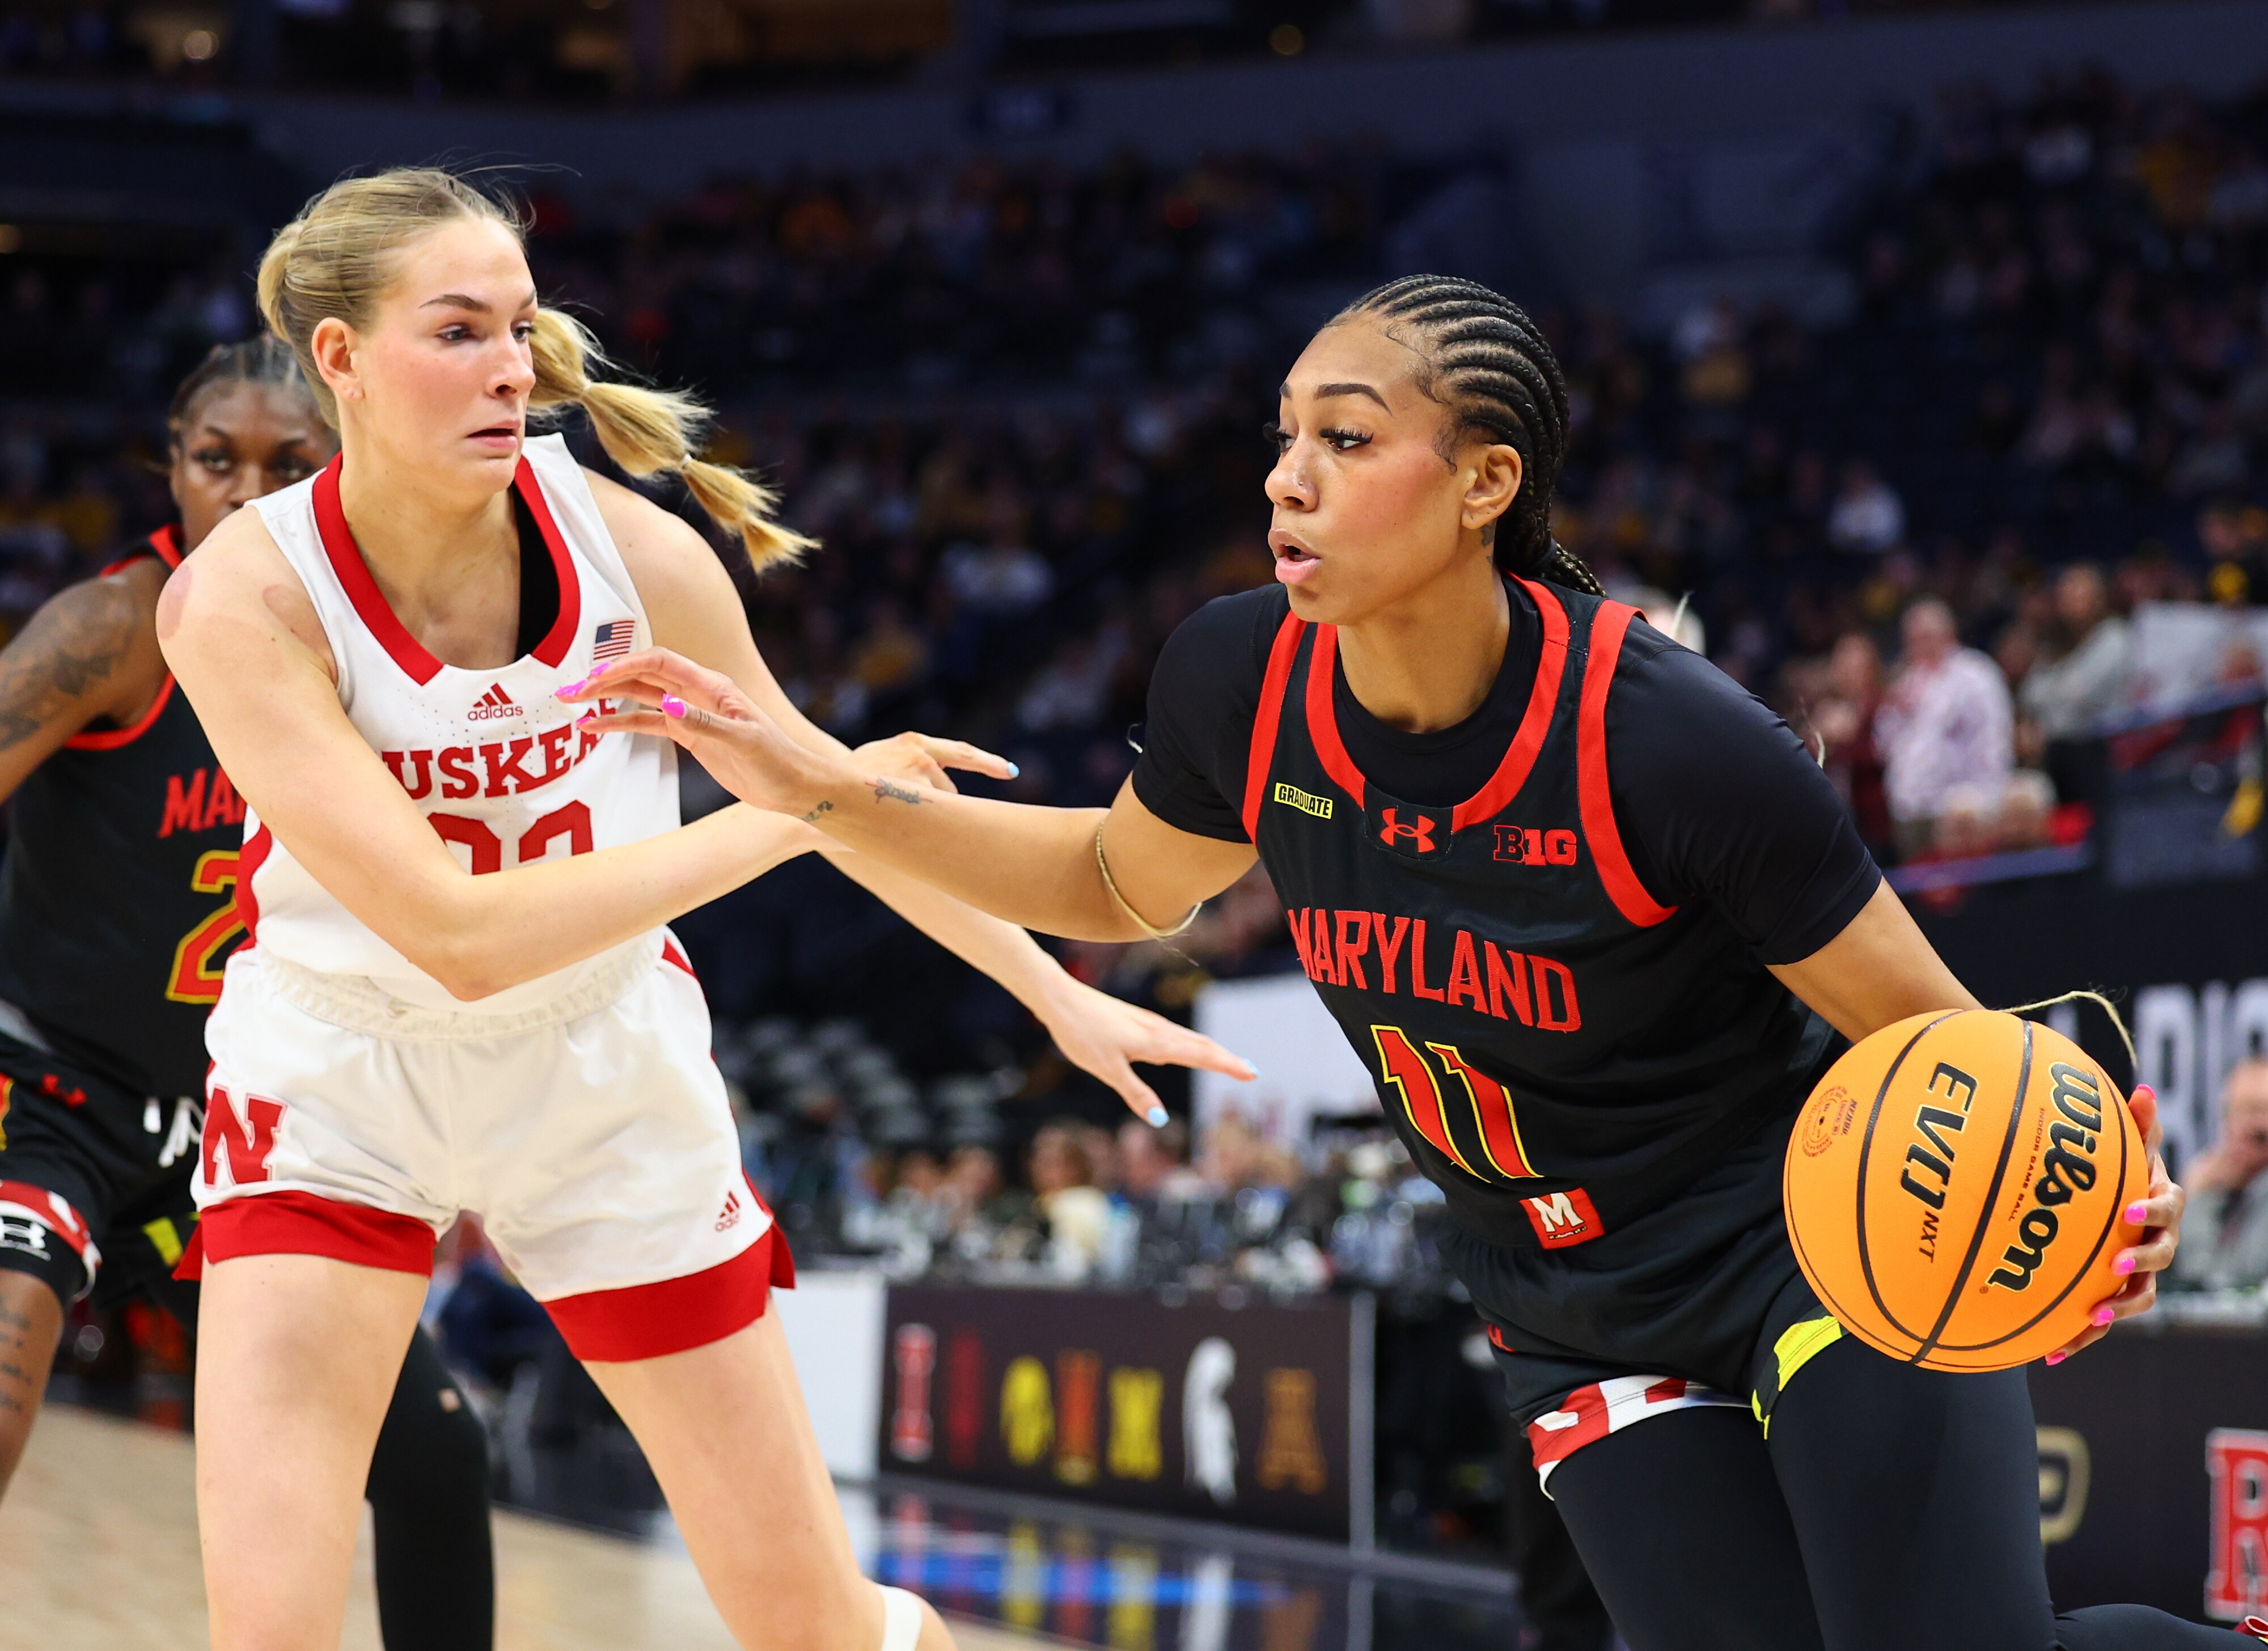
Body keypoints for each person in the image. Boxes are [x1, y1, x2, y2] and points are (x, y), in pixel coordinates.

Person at [577, 274, 2230, 1651]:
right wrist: (815, 782)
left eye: (1345, 439)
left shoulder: (1667, 743)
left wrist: (2081, 1202)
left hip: (1803, 1248)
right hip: (1571, 1305)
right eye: (1283, 436)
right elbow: (1105, 873)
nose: (1286, 476)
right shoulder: (1242, 676)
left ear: (1484, 481)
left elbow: (1938, 1043)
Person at [157, 168, 1250, 1651]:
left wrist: (1049, 987)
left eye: (524, 330)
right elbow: (465, 934)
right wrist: (785, 817)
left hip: (604, 1071)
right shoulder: (242, 599)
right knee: (265, 1631)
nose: (509, 368)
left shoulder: (638, 554)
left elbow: (839, 800)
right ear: (340, 359)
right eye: (459, 330)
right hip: (338, 1075)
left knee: (805, 1624)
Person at [0, 337, 495, 1650]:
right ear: (173, 470)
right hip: (51, 1085)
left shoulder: (381, 667)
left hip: (239, 1124)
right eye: (216, 460)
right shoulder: (113, 630)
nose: (246, 489)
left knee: (436, 1452)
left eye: (291, 463)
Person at [1875, 595, 2014, 857]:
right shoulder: (1905, 681)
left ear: (1949, 632)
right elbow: (1885, 745)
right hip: (1911, 812)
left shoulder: (1976, 675)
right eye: (1913, 638)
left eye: (1926, 636)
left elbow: (1995, 738)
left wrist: (1986, 799)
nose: (1919, 644)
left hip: (1963, 811)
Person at [2170, 1059, 2268, 1294]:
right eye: (2236, 1111)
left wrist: (2199, 1199)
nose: (2248, 1125)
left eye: (2258, 1110)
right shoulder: (2228, 1188)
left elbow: (2221, 1280)